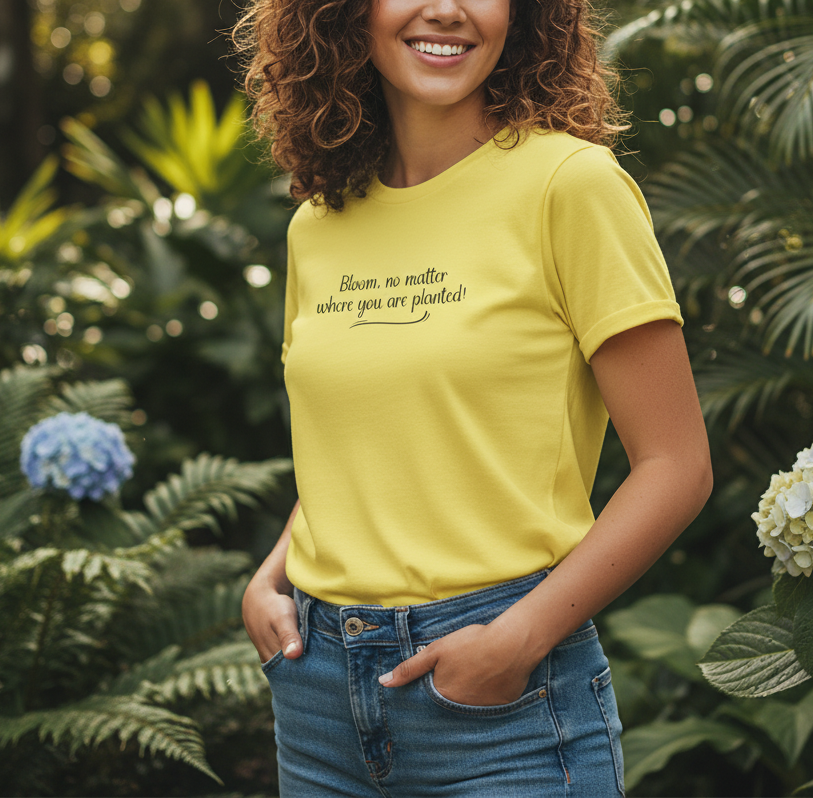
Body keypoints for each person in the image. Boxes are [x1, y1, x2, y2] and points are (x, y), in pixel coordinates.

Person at [233, 0, 713, 793]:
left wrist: (517, 638)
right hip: (315, 698)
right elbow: (362, 446)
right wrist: (270, 576)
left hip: (503, 709)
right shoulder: (317, 225)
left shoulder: (571, 185)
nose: (449, 10)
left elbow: (676, 464)